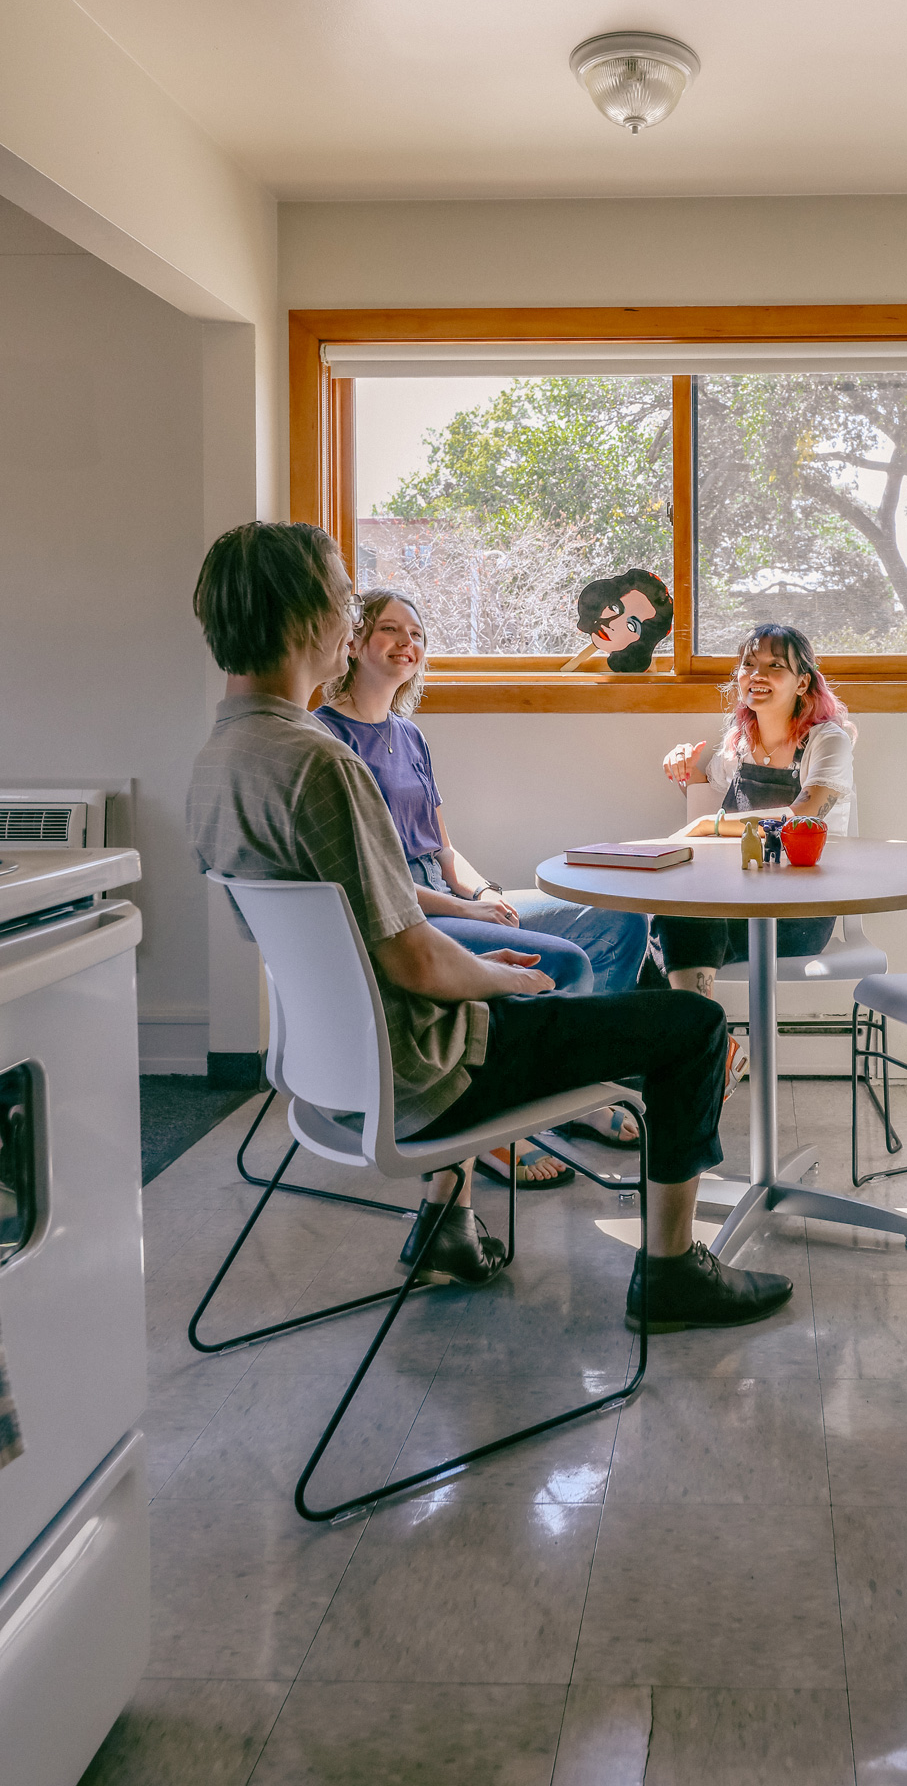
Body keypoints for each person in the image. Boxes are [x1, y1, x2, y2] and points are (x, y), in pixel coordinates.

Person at [186, 519, 794, 1334]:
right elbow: (415, 963)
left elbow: (370, 939)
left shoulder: (221, 757)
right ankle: (672, 1272)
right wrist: (502, 976)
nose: (351, 615)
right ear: (307, 617)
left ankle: (447, 1227)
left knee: (543, 976)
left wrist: (476, 958)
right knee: (693, 1022)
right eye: (342, 599)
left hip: (333, 1065)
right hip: (426, 1070)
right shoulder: (320, 762)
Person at [316, 587, 642, 1189]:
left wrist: (484, 892)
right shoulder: (328, 740)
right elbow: (377, 882)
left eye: (416, 636)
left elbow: (442, 846)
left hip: (447, 893)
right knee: (564, 959)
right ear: (355, 642)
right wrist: (466, 908)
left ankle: (570, 1095)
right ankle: (501, 1125)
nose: (406, 645)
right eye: (390, 631)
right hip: (405, 911)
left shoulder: (409, 736)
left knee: (617, 921)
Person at [653, 625, 856, 996]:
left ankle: (704, 1038)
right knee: (657, 925)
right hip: (736, 898)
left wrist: (708, 825)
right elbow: (705, 786)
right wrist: (683, 761)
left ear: (802, 683)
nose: (757, 675)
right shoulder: (739, 741)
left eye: (775, 666)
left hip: (799, 912)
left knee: (678, 925)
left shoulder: (827, 740)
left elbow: (803, 814)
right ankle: (703, 1041)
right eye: (749, 664)